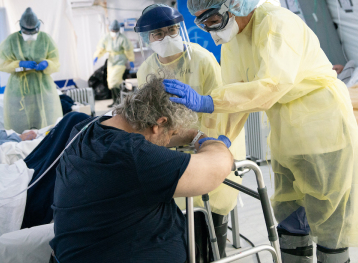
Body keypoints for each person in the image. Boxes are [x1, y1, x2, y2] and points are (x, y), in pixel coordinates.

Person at [164, 0, 358, 263]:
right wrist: (224, 140)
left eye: (213, 20)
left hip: (324, 124)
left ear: (234, 6)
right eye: (203, 24)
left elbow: (272, 85)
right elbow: (238, 96)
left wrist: (207, 101)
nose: (211, 30)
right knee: (290, 213)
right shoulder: (235, 40)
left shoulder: (278, 23)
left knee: (329, 217)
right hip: (286, 130)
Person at [49, 73, 234, 263]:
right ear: (159, 123)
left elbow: (152, 135)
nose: (170, 140)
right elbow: (216, 168)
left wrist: (192, 135)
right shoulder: (134, 156)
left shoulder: (87, 128)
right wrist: (213, 144)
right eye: (171, 133)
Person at [135, 4, 245, 259]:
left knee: (209, 226)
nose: (167, 37)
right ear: (147, 39)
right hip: (170, 151)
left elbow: (222, 107)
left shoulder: (202, 59)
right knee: (180, 228)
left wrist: (211, 141)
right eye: (158, 34)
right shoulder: (145, 71)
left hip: (208, 144)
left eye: (171, 30)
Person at [0, 7, 62, 133]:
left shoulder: (46, 39)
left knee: (46, 123)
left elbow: (56, 61)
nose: (30, 35)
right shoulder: (11, 41)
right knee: (19, 125)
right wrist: (19, 63)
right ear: (20, 28)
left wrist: (47, 63)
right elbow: (0, 63)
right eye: (27, 32)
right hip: (18, 90)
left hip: (42, 87)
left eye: (33, 32)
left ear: (38, 27)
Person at [93, 20, 135, 107]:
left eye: (115, 31)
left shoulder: (122, 38)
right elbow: (101, 48)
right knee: (110, 81)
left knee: (115, 81)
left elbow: (128, 50)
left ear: (118, 30)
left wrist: (131, 60)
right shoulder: (107, 37)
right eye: (113, 31)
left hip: (120, 61)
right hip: (111, 62)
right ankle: (115, 101)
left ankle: (118, 101)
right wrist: (97, 56)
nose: (114, 32)